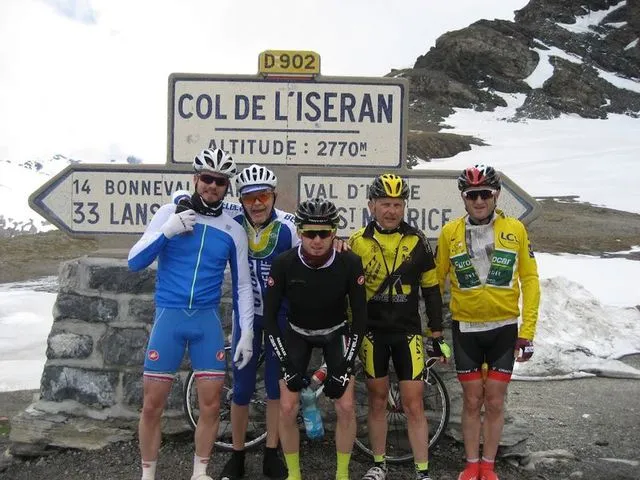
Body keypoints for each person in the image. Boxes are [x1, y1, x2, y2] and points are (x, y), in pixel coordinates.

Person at [128, 148, 254, 480]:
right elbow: (134, 261)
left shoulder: (232, 228)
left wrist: (248, 333)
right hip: (169, 318)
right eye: (207, 179)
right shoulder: (170, 212)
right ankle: (147, 474)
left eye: (220, 181)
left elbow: (242, 286)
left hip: (205, 321)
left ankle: (200, 473)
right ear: (195, 179)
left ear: (227, 187)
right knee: (152, 406)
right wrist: (166, 231)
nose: (213, 186)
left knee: (211, 406)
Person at [435, 165, 540, 480]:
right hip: (465, 329)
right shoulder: (449, 232)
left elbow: (530, 279)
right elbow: (436, 280)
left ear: (495, 195)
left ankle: (488, 466)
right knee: (471, 400)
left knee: (494, 401)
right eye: (472, 195)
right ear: (464, 199)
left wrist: (528, 332)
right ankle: (471, 465)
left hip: (503, 329)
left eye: (484, 194)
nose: (478, 201)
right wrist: (431, 330)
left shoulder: (515, 231)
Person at [348, 173, 448, 480]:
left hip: (407, 333)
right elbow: (348, 291)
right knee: (377, 401)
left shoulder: (418, 242)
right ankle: (379, 464)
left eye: (398, 204)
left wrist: (437, 333)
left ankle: (422, 471)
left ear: (404, 206)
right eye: (385, 204)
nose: (392, 210)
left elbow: (431, 290)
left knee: (413, 403)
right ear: (371, 205)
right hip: (371, 333)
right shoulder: (356, 242)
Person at [264, 198, 368, 480]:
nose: (317, 240)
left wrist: (345, 368)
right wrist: (286, 364)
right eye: (310, 233)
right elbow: (270, 319)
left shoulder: (350, 262)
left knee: (346, 405)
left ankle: (342, 474)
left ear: (335, 232)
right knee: (287, 407)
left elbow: (360, 319)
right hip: (297, 334)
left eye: (324, 233)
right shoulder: (284, 263)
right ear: (299, 232)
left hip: (336, 332)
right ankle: (294, 474)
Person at [218, 164, 298, 480]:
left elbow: (319, 248)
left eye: (263, 195)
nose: (257, 203)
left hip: (280, 320)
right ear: (241, 200)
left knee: (276, 389)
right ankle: (237, 455)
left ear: (273, 196)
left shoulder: (290, 227)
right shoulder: (233, 224)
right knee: (242, 388)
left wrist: (341, 244)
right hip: (245, 319)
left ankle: (271, 453)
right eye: (249, 197)